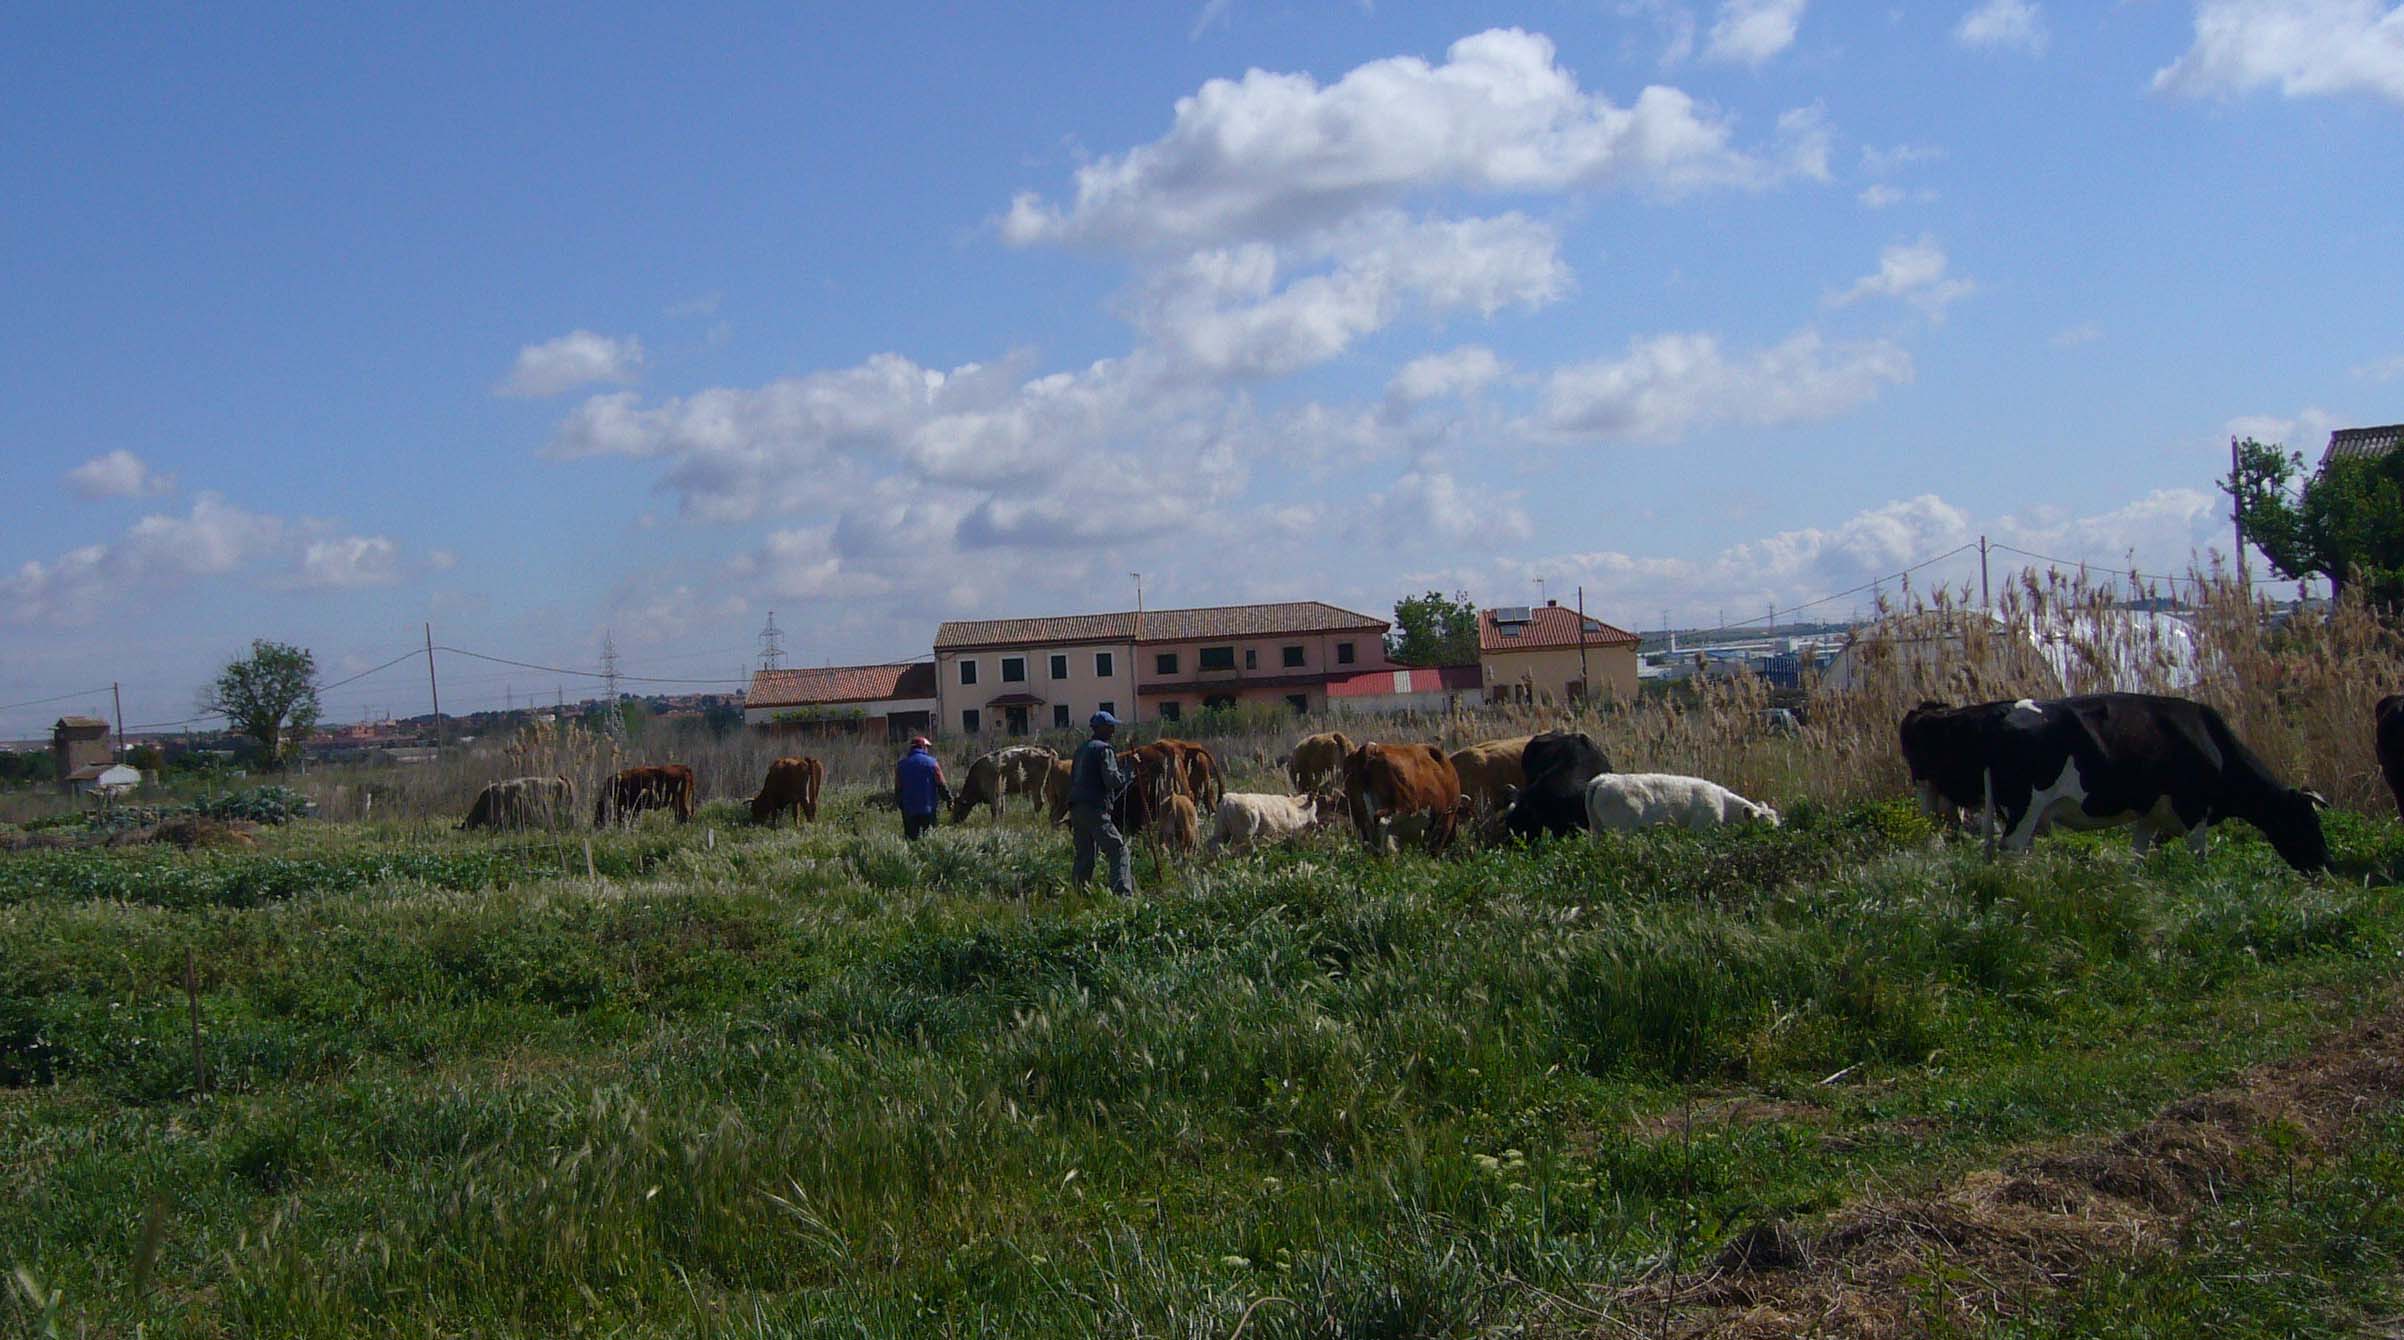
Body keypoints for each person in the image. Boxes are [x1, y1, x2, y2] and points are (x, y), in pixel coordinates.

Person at [1065, 710, 1133, 894]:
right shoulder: (1104, 749)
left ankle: (1080, 893)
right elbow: (1111, 780)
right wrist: (1128, 772)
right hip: (1094, 808)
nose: (1113, 730)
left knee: (1085, 854)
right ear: (1101, 729)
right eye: (1110, 726)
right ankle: (1123, 895)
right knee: (1118, 850)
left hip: (1076, 808)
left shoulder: (1081, 750)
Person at [894, 736, 948, 841]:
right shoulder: (932, 763)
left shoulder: (901, 765)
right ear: (923, 747)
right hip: (928, 809)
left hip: (909, 810)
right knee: (930, 842)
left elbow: (898, 789)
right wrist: (949, 800)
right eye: (927, 747)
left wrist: (901, 805)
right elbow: (941, 785)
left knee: (911, 841)